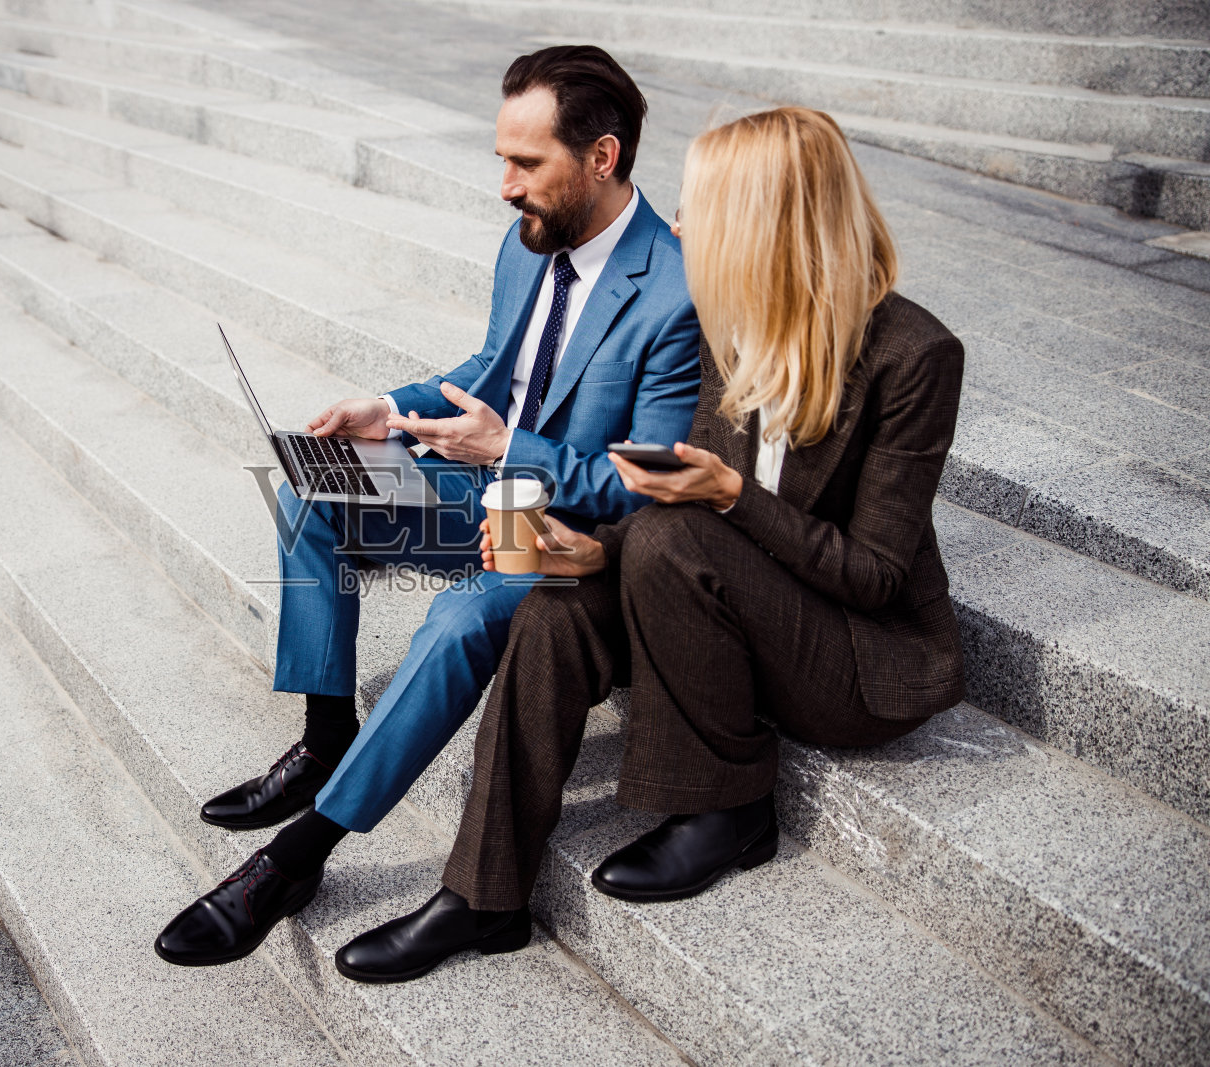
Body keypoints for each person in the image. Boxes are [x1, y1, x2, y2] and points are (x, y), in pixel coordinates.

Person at [333, 106, 967, 984]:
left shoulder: (915, 354)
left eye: (702, 209)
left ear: (764, 222)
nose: (678, 226)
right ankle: (482, 896)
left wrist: (732, 495)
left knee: (674, 535)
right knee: (556, 606)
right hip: (715, 595)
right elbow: (667, 506)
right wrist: (595, 554)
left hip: (852, 656)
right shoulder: (726, 323)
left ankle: (730, 804)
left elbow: (874, 575)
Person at [155, 46, 703, 967]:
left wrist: (507, 451)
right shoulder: (529, 239)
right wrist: (393, 412)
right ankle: (327, 740)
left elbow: (648, 477)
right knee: (315, 493)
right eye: (503, 159)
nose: (505, 185)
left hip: (566, 528)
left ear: (601, 159)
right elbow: (492, 371)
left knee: (456, 621)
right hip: (484, 478)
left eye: (526, 163)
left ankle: (299, 856)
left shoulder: (677, 289)